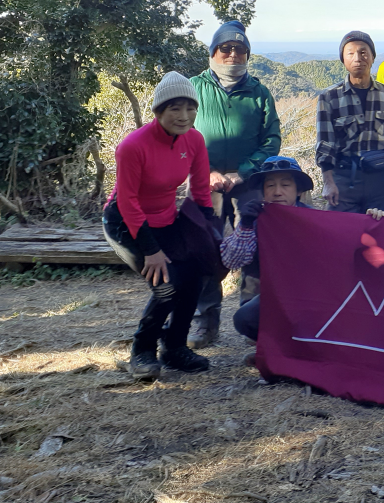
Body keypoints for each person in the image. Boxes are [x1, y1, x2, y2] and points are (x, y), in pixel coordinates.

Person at [101, 72, 215, 381]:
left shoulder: (194, 139)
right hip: (125, 222)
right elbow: (127, 202)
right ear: (159, 111)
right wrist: (151, 251)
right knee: (165, 287)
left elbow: (201, 191)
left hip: (167, 219)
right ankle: (142, 351)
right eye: (175, 108)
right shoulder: (133, 146)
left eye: (190, 108)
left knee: (192, 279)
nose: (184, 116)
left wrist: (211, 232)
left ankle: (174, 348)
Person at [188, 20, 282, 350]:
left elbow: (272, 139)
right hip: (205, 183)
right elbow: (182, 135)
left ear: (247, 55)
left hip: (249, 182)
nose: (232, 54)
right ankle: (205, 321)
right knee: (204, 248)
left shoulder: (258, 92)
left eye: (240, 49)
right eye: (225, 48)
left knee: (255, 246)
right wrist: (208, 171)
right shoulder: (194, 87)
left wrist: (243, 172)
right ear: (213, 51)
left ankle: (250, 318)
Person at [219, 156, 314, 362]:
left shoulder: (317, 220)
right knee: (245, 319)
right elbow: (230, 261)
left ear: (298, 190)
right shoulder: (255, 218)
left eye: (285, 185)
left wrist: (373, 220)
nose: (277, 191)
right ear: (262, 191)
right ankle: (274, 346)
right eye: (270, 185)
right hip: (269, 298)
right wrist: (244, 224)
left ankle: (290, 349)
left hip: (309, 299)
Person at [316, 31, 384, 213]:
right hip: (344, 178)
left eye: (363, 52)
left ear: (373, 57)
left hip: (379, 178)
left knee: (379, 232)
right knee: (341, 233)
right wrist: (328, 183)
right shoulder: (329, 96)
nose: (357, 58)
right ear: (343, 60)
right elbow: (325, 144)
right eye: (350, 53)